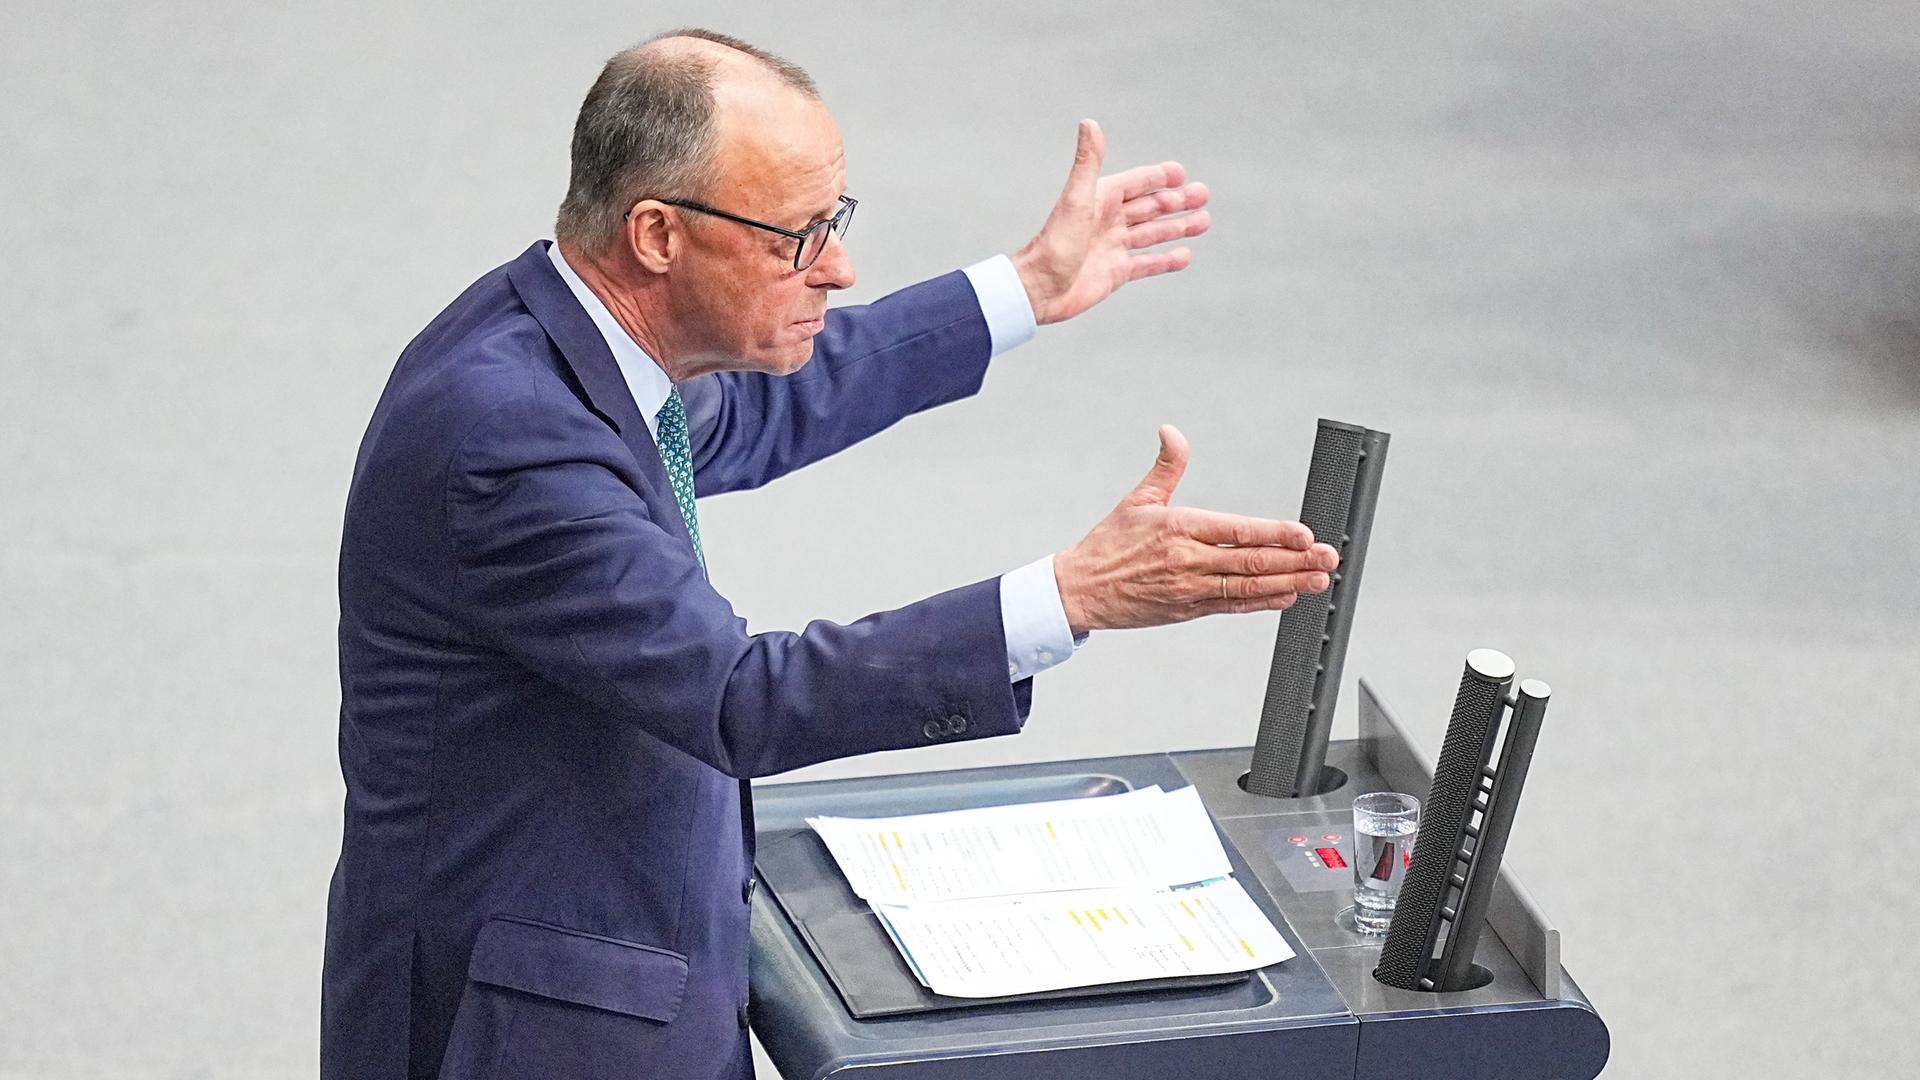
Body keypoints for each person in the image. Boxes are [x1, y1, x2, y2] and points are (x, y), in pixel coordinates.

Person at [321, 28, 1338, 1080]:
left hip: (619, 970)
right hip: (529, 1035)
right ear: (659, 234)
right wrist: (1070, 596)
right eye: (798, 237)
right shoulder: (508, 437)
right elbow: (736, 698)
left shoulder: (575, 335)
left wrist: (1024, 286)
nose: (839, 268)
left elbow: (769, 403)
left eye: (834, 222)